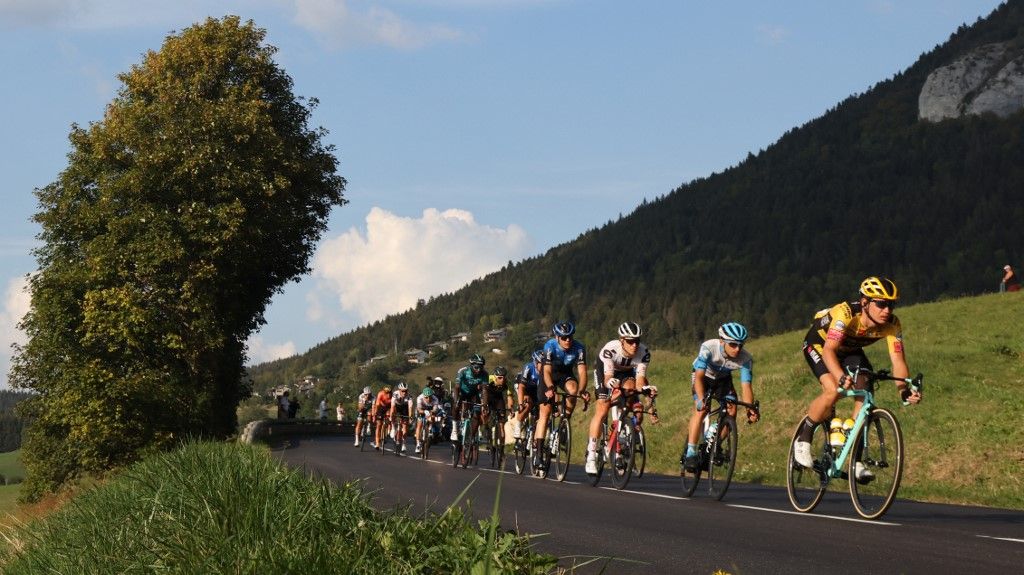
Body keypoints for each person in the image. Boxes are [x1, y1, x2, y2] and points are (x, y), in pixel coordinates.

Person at [793, 276, 922, 482]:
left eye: (891, 304)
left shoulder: (892, 324)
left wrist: (903, 390)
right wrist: (840, 376)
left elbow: (898, 360)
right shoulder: (846, 313)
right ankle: (804, 438)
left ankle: (855, 458)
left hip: (851, 349)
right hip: (820, 345)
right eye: (881, 304)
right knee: (833, 389)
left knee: (866, 390)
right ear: (865, 302)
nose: (887, 310)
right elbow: (829, 351)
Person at [681, 322, 758, 472]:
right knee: (702, 409)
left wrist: (750, 408)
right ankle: (690, 452)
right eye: (733, 344)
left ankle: (715, 445)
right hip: (703, 377)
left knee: (732, 409)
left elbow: (746, 386)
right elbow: (698, 377)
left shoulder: (746, 359)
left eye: (741, 345)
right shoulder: (709, 347)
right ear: (722, 341)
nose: (737, 349)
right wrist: (701, 398)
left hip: (723, 379)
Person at [586, 322, 657, 475]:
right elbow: (608, 377)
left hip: (626, 373)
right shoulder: (611, 349)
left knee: (631, 390)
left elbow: (639, 380)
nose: (634, 345)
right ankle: (591, 455)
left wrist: (644, 389)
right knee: (603, 407)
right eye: (630, 341)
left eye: (637, 341)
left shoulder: (643, 353)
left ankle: (623, 428)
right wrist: (611, 383)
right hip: (605, 371)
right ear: (622, 340)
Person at [534, 321, 588, 461]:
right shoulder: (550, 346)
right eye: (564, 338)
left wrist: (582, 390)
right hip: (549, 374)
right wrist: (551, 387)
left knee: (573, 389)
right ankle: (539, 453)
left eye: (570, 337)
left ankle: (565, 422)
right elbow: (546, 370)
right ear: (557, 337)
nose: (568, 340)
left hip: (565, 374)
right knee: (545, 412)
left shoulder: (579, 348)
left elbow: (582, 372)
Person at [452, 354, 489, 448]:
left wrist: (484, 404)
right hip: (461, 392)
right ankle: (455, 429)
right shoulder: (463, 371)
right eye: (476, 367)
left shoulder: (485, 374)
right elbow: (456, 388)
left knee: (476, 414)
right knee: (455, 406)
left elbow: (484, 390)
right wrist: (456, 401)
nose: (479, 369)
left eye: (481, 367)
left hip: (473, 394)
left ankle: (471, 436)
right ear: (471, 365)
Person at [512, 350, 543, 439]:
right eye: (541, 363)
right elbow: (521, 386)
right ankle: (518, 424)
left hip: (536, 389)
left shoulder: (546, 370)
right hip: (524, 387)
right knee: (528, 404)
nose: (543, 365)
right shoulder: (529, 367)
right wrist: (521, 403)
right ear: (535, 362)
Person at [482, 366, 514, 447]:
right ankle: (486, 427)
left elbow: (509, 396)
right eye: (499, 378)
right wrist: (484, 405)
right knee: (484, 412)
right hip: (488, 397)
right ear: (495, 377)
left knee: (501, 424)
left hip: (499, 399)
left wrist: (511, 408)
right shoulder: (489, 379)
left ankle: (501, 447)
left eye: (503, 378)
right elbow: (483, 392)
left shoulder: (507, 383)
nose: (502, 380)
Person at [414, 385, 442, 454]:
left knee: (432, 417)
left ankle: (430, 429)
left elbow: (435, 410)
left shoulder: (435, 399)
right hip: (422, 409)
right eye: (426, 397)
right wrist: (423, 412)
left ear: (432, 396)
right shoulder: (419, 398)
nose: (428, 399)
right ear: (423, 396)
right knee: (419, 424)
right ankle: (418, 444)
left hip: (430, 409)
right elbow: (419, 409)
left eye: (430, 397)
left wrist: (431, 413)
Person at [388, 383, 413, 453]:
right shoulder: (395, 394)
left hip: (405, 408)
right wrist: (391, 416)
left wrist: (410, 417)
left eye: (406, 391)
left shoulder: (409, 396)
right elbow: (392, 407)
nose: (404, 393)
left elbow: (410, 407)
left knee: (405, 427)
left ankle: (404, 444)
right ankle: (393, 428)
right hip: (397, 407)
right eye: (402, 391)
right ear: (399, 390)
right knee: (392, 414)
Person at [372, 384, 393, 450]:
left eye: (389, 392)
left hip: (388, 408)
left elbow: (393, 406)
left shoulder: (392, 396)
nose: (388, 394)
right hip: (381, 408)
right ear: (384, 391)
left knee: (389, 418)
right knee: (379, 425)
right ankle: (377, 443)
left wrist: (391, 415)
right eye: (387, 392)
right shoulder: (380, 394)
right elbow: (377, 405)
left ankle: (387, 432)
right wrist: (375, 414)